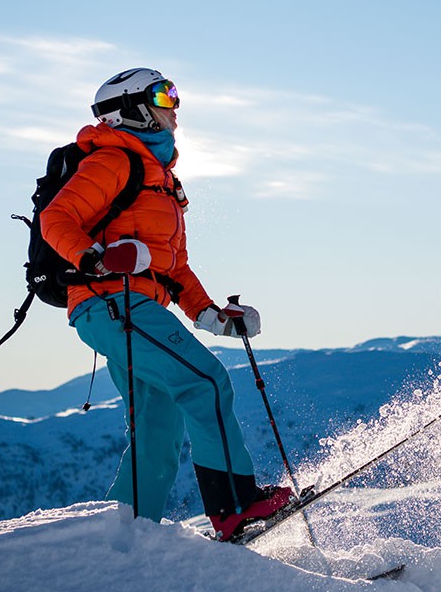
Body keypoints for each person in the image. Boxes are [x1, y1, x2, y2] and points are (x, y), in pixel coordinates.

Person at [39, 66, 292, 538]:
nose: (174, 106)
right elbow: (57, 219)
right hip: (113, 303)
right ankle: (235, 507)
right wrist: (94, 259)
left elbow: (175, 269)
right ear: (132, 109)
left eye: (173, 94)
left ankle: (125, 538)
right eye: (163, 95)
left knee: (159, 428)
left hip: (127, 309)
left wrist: (213, 315)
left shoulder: (163, 183)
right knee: (206, 383)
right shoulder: (114, 161)